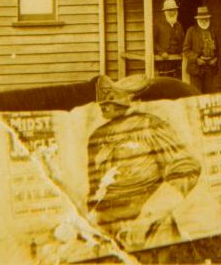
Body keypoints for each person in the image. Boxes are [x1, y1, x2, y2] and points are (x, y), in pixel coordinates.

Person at [87, 76, 202, 249]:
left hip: (148, 223)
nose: (104, 105)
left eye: (110, 101)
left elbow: (185, 169)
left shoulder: (149, 125)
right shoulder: (97, 136)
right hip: (108, 226)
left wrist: (147, 219)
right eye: (103, 103)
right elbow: (95, 189)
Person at [182, 5, 219, 93]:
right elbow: (186, 49)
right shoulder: (191, 31)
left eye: (206, 18)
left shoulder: (213, 30)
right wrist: (196, 59)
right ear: (197, 19)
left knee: (209, 94)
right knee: (196, 93)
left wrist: (215, 59)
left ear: (209, 19)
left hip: (209, 68)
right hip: (196, 69)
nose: (204, 21)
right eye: (201, 19)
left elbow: (218, 48)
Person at [154, 0, 185, 79]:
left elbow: (183, 42)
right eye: (170, 10)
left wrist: (182, 51)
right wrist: (161, 52)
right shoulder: (158, 24)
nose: (172, 12)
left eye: (174, 10)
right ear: (165, 12)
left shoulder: (179, 25)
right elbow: (153, 42)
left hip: (176, 61)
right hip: (164, 61)